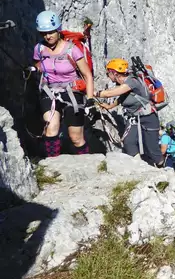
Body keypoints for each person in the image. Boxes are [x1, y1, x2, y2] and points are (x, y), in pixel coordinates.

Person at [32, 10, 95, 157]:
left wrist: (90, 100)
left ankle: (87, 162)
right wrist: (33, 69)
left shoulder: (72, 50)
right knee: (51, 129)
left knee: (76, 137)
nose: (47, 36)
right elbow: (40, 65)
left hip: (72, 92)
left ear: (58, 30)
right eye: (43, 33)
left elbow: (87, 75)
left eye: (51, 32)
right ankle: (53, 163)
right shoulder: (39, 49)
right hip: (50, 91)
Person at [96, 58, 163, 166]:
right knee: (128, 142)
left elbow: (112, 93)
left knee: (152, 149)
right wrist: (110, 106)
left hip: (148, 117)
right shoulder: (126, 83)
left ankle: (163, 167)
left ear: (114, 73)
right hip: (134, 118)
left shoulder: (132, 81)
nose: (108, 76)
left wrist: (94, 93)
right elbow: (123, 97)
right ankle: (139, 167)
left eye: (108, 73)